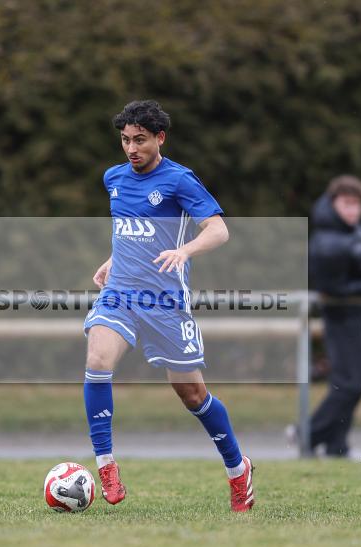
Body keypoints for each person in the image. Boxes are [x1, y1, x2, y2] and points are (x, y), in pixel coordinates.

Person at [82, 100, 254, 512]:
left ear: (160, 138)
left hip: (165, 303)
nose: (131, 148)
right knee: (98, 359)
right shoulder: (114, 178)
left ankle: (238, 469)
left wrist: (185, 250)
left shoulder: (179, 180)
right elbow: (130, 230)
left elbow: (219, 229)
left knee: (192, 395)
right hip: (121, 294)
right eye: (125, 140)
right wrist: (112, 261)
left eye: (139, 140)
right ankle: (106, 465)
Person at [307, 175, 361, 457]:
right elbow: (332, 288)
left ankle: (336, 445)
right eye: (347, 204)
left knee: (353, 384)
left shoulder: (353, 232)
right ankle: (307, 434)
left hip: (355, 316)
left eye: (357, 204)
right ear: (334, 204)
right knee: (350, 384)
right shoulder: (328, 240)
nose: (353, 210)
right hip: (340, 319)